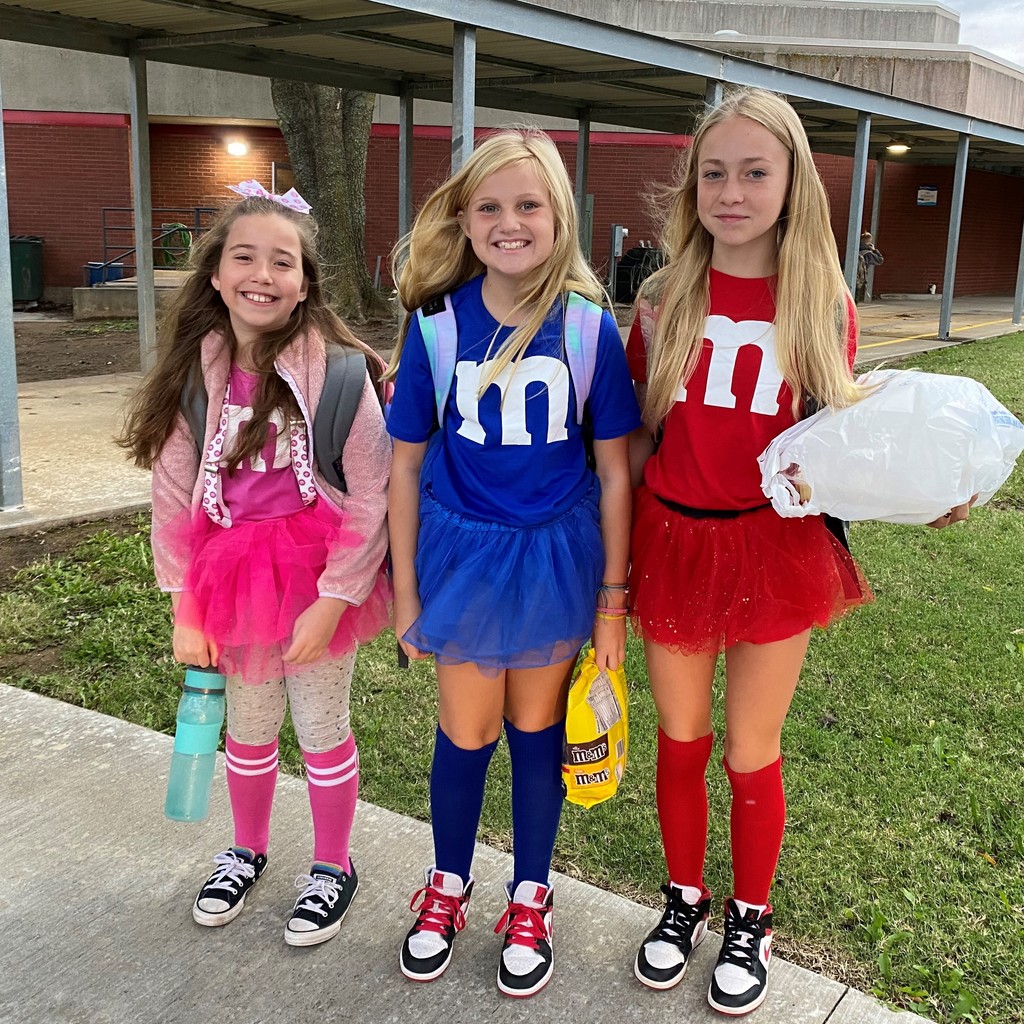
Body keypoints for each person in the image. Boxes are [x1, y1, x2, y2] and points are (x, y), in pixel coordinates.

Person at [625, 88, 972, 1015]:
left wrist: (923, 493)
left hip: (773, 549)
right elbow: (628, 437)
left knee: (750, 747)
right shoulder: (662, 298)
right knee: (680, 737)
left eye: (754, 171)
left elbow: (840, 443)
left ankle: (750, 915)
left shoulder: (822, 301)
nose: (731, 191)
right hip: (674, 536)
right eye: (714, 172)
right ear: (693, 183)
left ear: (793, 184)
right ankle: (683, 899)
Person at [386, 129, 640, 997]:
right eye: (489, 206)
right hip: (460, 560)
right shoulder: (434, 326)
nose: (509, 221)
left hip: (554, 564)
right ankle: (447, 883)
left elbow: (613, 469)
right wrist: (405, 593)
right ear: (463, 217)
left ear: (559, 215)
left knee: (538, 737)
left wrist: (612, 600)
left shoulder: (587, 327)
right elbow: (407, 465)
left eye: (528, 204)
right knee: (466, 734)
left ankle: (531, 893)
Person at [118, 182, 391, 948]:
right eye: (245, 257)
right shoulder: (195, 375)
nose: (262, 274)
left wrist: (336, 598)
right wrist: (185, 605)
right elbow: (173, 493)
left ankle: (333, 865)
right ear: (214, 274)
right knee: (249, 724)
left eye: (283, 262)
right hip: (231, 578)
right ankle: (247, 849)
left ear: (305, 284)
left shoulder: (338, 372)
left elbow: (370, 492)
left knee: (322, 723)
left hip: (315, 574)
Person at [856, 230, 884, 303]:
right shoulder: (868, 254)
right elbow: (880, 260)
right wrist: (874, 250)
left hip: (850, 275)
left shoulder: (854, 251)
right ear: (868, 243)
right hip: (860, 278)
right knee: (856, 296)